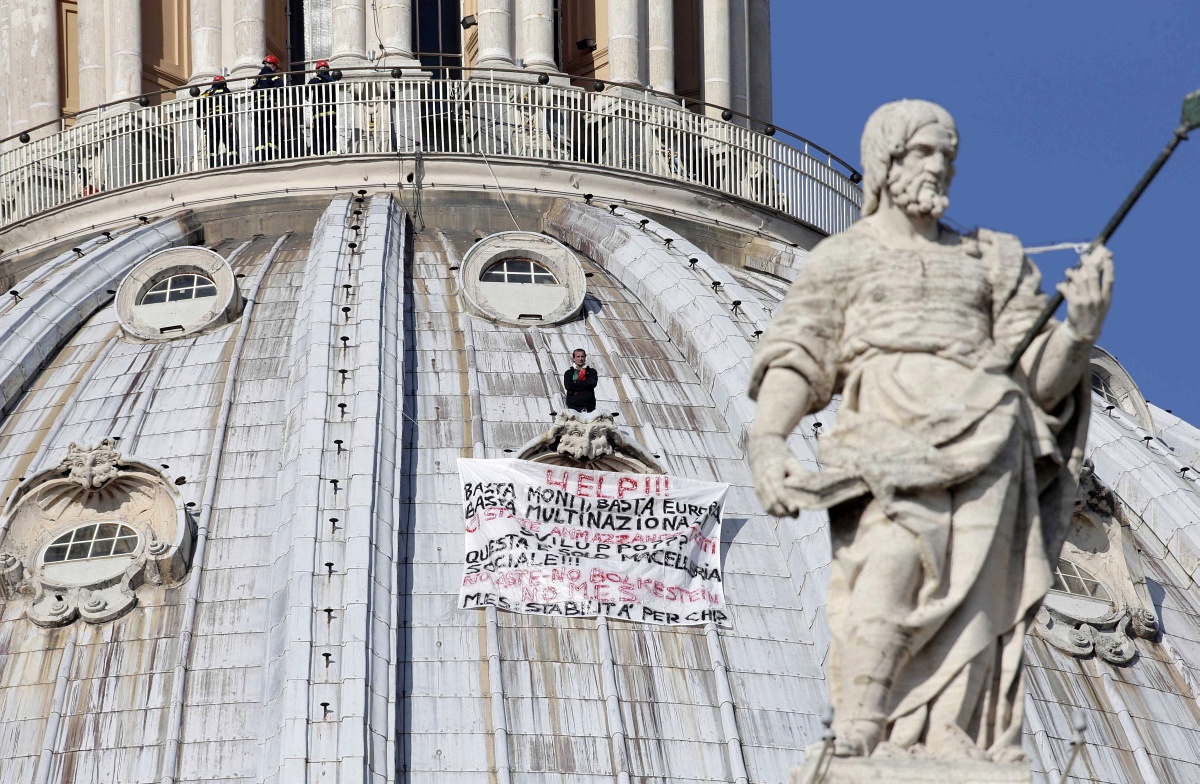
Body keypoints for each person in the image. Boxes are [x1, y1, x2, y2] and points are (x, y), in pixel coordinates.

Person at [748, 100, 1111, 763]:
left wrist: (1081, 331)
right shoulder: (844, 257)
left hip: (988, 438)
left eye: (948, 153)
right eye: (923, 152)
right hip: (884, 436)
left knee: (980, 588)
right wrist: (768, 440)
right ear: (885, 162)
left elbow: (1039, 375)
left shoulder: (990, 258)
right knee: (886, 571)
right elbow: (800, 356)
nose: (939, 165)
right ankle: (866, 716)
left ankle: (951, 725)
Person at [197, 75, 237, 168]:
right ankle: (233, 162)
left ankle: (212, 165)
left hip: (210, 121)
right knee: (228, 141)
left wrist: (201, 123)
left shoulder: (206, 93)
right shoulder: (224, 90)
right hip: (222, 119)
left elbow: (197, 108)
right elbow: (229, 105)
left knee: (211, 145)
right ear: (223, 83)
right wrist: (230, 120)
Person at [251, 54, 285, 161]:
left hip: (257, 108)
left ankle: (258, 156)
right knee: (275, 130)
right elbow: (281, 86)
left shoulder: (257, 78)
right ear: (273, 65)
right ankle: (272, 154)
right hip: (268, 107)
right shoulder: (272, 76)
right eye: (275, 67)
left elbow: (253, 90)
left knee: (259, 131)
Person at [307, 60, 338, 155]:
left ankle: (316, 152)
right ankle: (331, 149)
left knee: (317, 132)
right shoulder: (332, 80)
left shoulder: (317, 79)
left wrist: (306, 95)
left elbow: (309, 85)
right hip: (331, 111)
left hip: (318, 112)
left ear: (317, 70)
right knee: (331, 131)